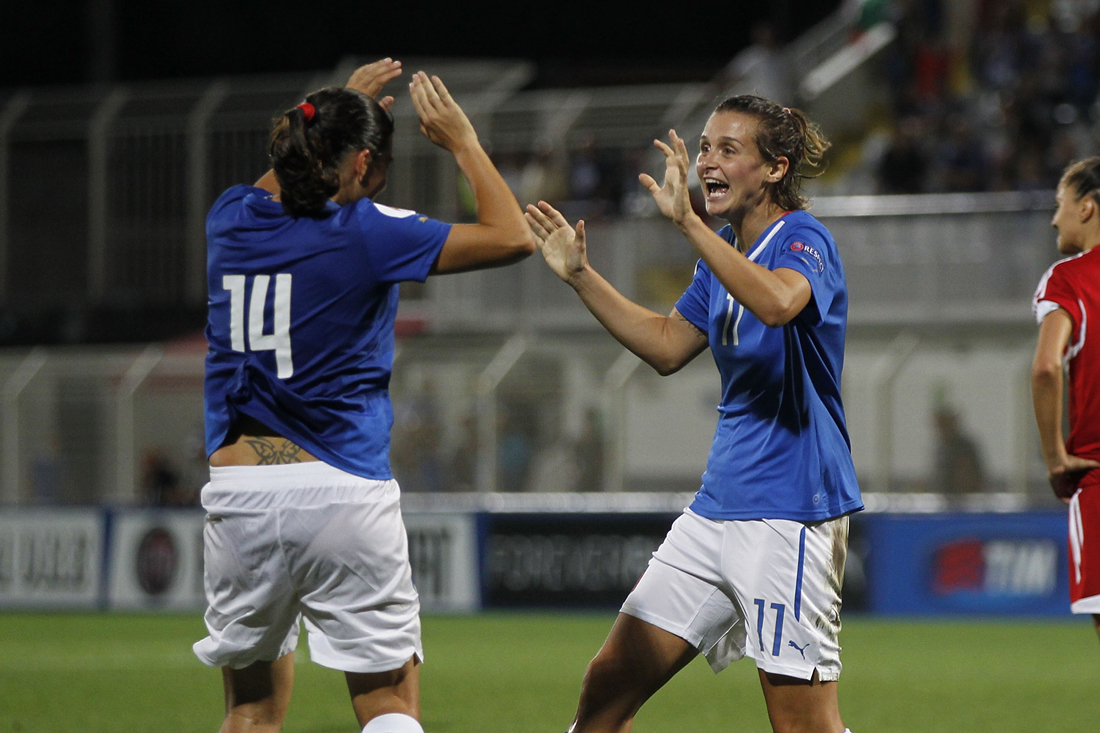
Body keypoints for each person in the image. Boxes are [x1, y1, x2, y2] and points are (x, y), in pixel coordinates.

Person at [193, 58, 534, 733]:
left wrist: (333, 104)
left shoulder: (230, 217)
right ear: (364, 165)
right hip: (341, 489)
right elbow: (514, 234)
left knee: (251, 709)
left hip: (242, 492)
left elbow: (285, 170)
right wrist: (463, 140)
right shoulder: (369, 231)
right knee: (387, 706)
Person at [527, 95, 862, 733]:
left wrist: (689, 226)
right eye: (706, 146)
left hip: (792, 512)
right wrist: (581, 277)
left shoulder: (804, 239)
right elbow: (665, 345)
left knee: (803, 725)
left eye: (728, 149)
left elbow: (778, 305)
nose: (706, 160)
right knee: (607, 686)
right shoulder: (721, 257)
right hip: (716, 510)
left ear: (773, 170)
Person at [1031, 156, 1100, 640]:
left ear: (1088, 207)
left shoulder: (1069, 279)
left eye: (1062, 204)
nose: (1055, 218)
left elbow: (1047, 366)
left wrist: (1056, 457)